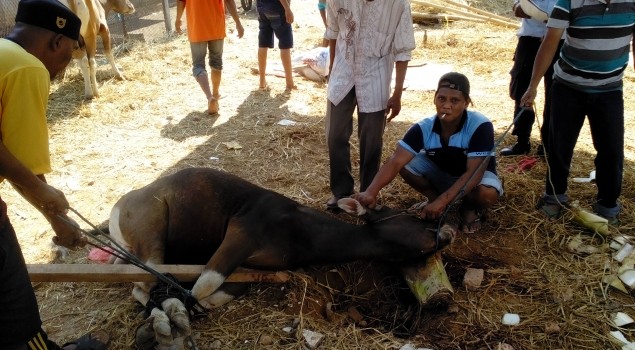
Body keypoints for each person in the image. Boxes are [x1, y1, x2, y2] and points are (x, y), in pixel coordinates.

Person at [0, 1, 110, 349]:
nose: (65, 67)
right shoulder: (26, 67)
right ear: (56, 42)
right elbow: (23, 164)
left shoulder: (2, 52)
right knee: (16, 316)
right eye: (71, 52)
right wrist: (58, 218)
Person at [521, 0, 635, 224]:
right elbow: (550, 41)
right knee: (559, 147)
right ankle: (554, 197)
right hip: (568, 87)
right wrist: (532, 86)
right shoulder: (569, 1)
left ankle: (607, 205)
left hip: (609, 89)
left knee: (611, 150)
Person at [354, 73, 503, 233]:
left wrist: (442, 201)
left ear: (466, 103)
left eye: (455, 100)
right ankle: (435, 199)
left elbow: (474, 174)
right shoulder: (423, 127)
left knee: (486, 194)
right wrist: (371, 192)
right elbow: (395, 162)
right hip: (445, 175)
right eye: (441, 99)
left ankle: (469, 209)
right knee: (404, 163)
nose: (446, 106)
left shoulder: (480, 126)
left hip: (475, 178)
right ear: (434, 99)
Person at [324, 0, 415, 210]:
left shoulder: (398, 4)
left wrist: (398, 93)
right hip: (342, 75)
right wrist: (332, 70)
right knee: (335, 135)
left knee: (372, 142)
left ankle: (367, 194)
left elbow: (402, 51)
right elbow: (333, 33)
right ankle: (341, 192)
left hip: (376, 79)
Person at [501, 0, 562, 157]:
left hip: (559, 41)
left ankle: (547, 146)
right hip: (530, 40)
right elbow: (518, 8)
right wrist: (529, 11)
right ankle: (522, 142)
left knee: (555, 95)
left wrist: (549, 18)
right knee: (521, 91)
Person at [175, 0, 244, 115]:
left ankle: (209, 97)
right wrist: (238, 22)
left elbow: (180, 1)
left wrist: (178, 19)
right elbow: (229, 1)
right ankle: (215, 94)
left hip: (197, 27)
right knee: (216, 62)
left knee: (198, 65)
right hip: (216, 25)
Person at [256, 0, 295, 91]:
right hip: (277, 7)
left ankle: (262, 81)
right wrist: (287, 8)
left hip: (261, 7)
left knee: (263, 43)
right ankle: (289, 83)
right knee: (285, 44)